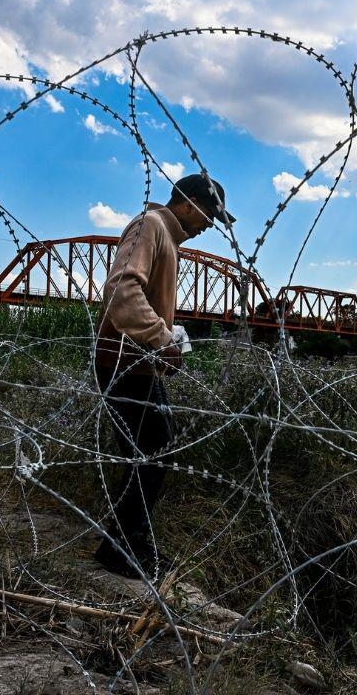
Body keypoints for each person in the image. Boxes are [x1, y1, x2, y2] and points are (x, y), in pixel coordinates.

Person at [93, 173, 235, 578]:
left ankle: (130, 542)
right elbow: (121, 291)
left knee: (151, 451)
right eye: (209, 215)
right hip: (121, 361)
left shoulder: (166, 237)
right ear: (189, 203)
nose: (209, 225)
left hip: (137, 361)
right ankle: (121, 547)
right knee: (154, 450)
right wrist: (162, 338)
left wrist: (166, 338)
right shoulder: (150, 226)